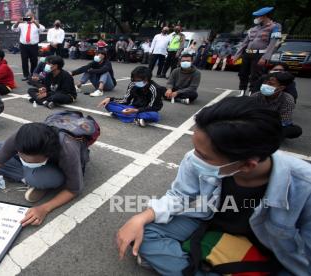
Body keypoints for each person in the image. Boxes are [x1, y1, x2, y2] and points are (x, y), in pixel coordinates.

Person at [117, 96, 311, 275]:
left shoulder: (304, 187)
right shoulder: (196, 159)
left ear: (247, 164)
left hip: (273, 246)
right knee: (143, 235)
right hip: (207, 219)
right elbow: (180, 195)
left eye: (203, 156)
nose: (193, 156)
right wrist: (141, 217)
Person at [0, 122, 92, 226]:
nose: (24, 160)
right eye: (21, 156)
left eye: (32, 161)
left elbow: (74, 189)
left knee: (37, 176)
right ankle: (35, 178)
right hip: (38, 157)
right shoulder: (19, 138)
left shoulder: (67, 151)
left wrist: (44, 208)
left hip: (59, 165)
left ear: (48, 155)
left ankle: (38, 179)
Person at [233, 7, 282, 96]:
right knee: (242, 74)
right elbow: (245, 43)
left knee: (255, 76)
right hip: (247, 53)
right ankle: (242, 92)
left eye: (258, 16)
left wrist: (265, 57)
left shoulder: (275, 27)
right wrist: (237, 55)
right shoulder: (253, 29)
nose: (256, 19)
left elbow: (273, 44)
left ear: (264, 16)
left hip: (259, 55)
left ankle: (253, 93)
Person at [98, 66, 164, 127]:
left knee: (155, 116)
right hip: (133, 107)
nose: (135, 82)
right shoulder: (133, 84)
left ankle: (121, 115)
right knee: (108, 104)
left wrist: (136, 110)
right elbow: (126, 100)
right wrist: (110, 99)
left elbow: (153, 107)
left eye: (138, 80)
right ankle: (138, 119)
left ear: (146, 79)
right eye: (134, 79)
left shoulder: (155, 88)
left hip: (146, 110)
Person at [251, 72, 302, 139]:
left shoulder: (287, 99)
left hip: (274, 125)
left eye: (270, 84)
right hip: (256, 122)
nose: (266, 85)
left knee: (295, 130)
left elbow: (284, 121)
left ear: (281, 88)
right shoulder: (256, 96)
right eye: (265, 82)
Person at [11, 11, 45, 81]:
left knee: (34, 61)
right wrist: (18, 22)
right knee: (24, 61)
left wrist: (34, 22)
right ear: (25, 17)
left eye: (30, 16)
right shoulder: (22, 24)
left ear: (33, 17)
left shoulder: (36, 24)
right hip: (23, 46)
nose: (28, 18)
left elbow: (42, 29)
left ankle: (33, 74)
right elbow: (13, 29)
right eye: (27, 16)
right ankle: (26, 75)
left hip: (33, 46)